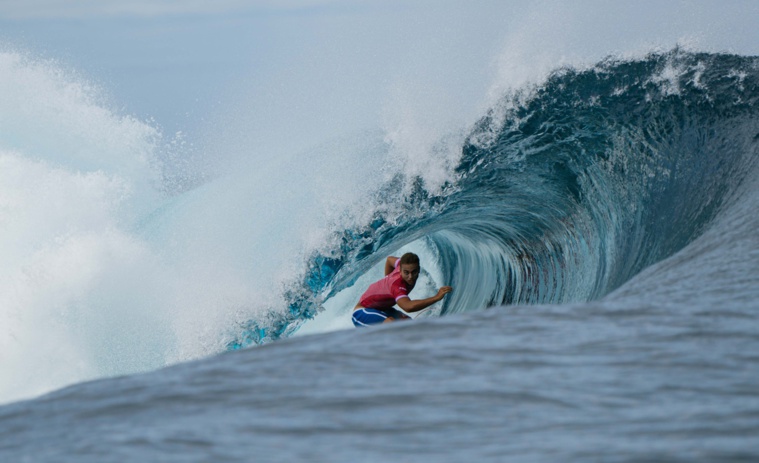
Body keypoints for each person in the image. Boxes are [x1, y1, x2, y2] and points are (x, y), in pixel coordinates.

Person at [352, 252, 452, 327]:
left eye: (414, 272)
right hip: (362, 312)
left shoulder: (402, 265)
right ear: (400, 270)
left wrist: (387, 279)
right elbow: (408, 307)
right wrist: (436, 297)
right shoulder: (397, 286)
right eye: (406, 273)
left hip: (382, 309)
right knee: (391, 324)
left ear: (419, 269)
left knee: (408, 324)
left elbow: (389, 260)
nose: (410, 276)